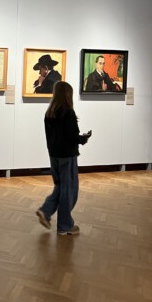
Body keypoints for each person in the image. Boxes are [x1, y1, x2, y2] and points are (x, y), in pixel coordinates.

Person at [36, 81, 91, 235]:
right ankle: (65, 225)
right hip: (67, 156)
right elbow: (72, 137)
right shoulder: (68, 113)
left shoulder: (49, 113)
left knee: (60, 186)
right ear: (68, 95)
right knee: (69, 189)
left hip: (54, 155)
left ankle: (46, 211)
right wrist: (83, 138)